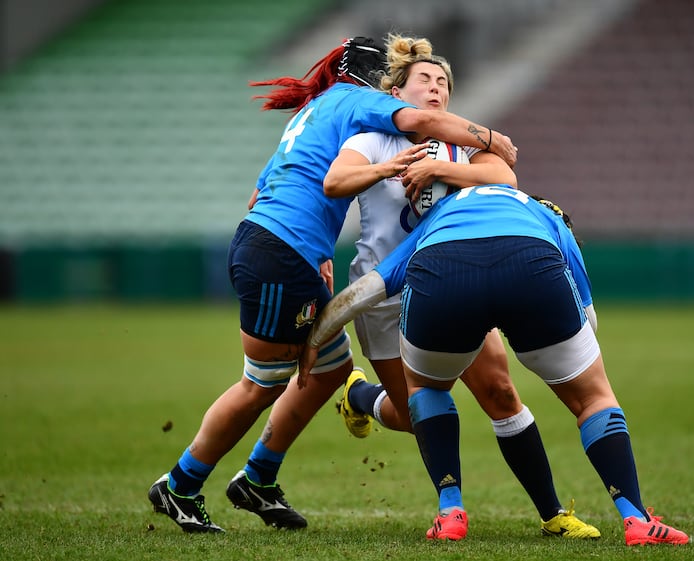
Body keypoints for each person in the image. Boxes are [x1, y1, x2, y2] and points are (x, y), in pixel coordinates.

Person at [147, 36, 517, 534]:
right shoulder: (356, 98)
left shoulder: (317, 111)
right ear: (375, 77)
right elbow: (422, 122)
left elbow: (263, 189)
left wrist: (315, 251)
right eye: (393, 75)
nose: (398, 86)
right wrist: (490, 138)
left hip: (281, 248)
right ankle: (180, 485)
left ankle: (257, 478)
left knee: (327, 370)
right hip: (280, 252)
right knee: (261, 384)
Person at [316, 33, 599, 539]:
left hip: (449, 282)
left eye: (444, 83)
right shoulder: (369, 137)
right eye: (425, 79)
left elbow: (504, 174)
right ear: (396, 91)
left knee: (500, 392)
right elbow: (336, 180)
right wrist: (395, 166)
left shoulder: (452, 144)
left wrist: (439, 166)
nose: (437, 89)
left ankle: (550, 513)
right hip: (382, 293)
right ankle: (359, 398)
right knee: (410, 413)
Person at [299, 185, 690, 546]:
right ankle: (636, 519)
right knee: (593, 397)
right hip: (532, 267)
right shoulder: (547, 214)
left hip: (443, 274)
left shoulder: (440, 214)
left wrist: (317, 337)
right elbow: (588, 317)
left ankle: (450, 511)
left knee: (427, 389)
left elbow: (377, 283)